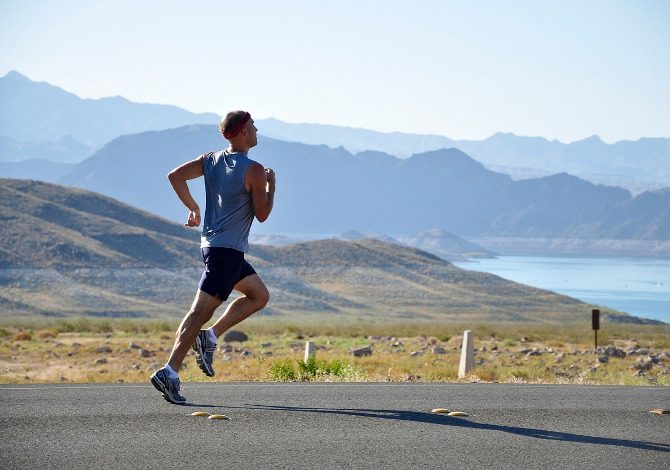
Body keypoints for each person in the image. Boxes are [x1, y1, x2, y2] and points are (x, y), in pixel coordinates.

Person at [150, 110, 275, 404]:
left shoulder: (210, 159)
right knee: (198, 313)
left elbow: (175, 176)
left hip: (214, 247)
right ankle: (169, 372)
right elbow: (263, 214)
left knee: (259, 295)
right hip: (227, 252)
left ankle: (210, 336)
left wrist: (193, 207)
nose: (257, 131)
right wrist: (272, 186)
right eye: (254, 127)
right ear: (243, 131)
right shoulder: (254, 170)